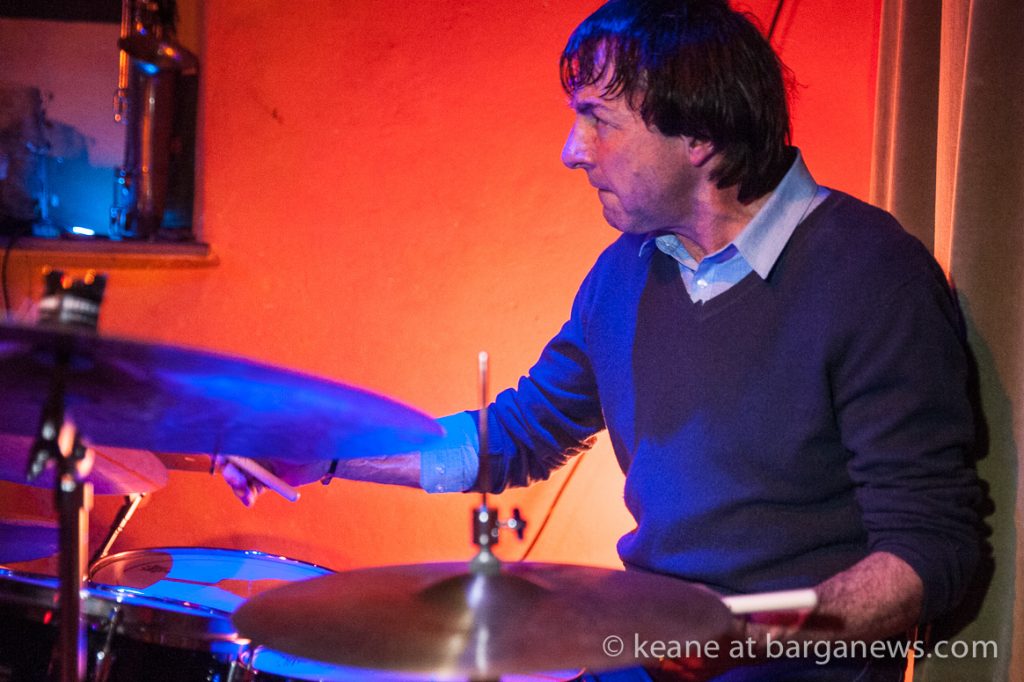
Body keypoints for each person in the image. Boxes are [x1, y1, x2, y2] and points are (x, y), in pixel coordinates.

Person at [221, 1, 980, 679]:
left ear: (700, 136)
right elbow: (516, 436)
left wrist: (745, 636)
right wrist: (324, 451)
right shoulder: (626, 272)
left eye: (598, 120)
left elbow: (933, 552)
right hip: (645, 654)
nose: (571, 150)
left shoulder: (871, 274)